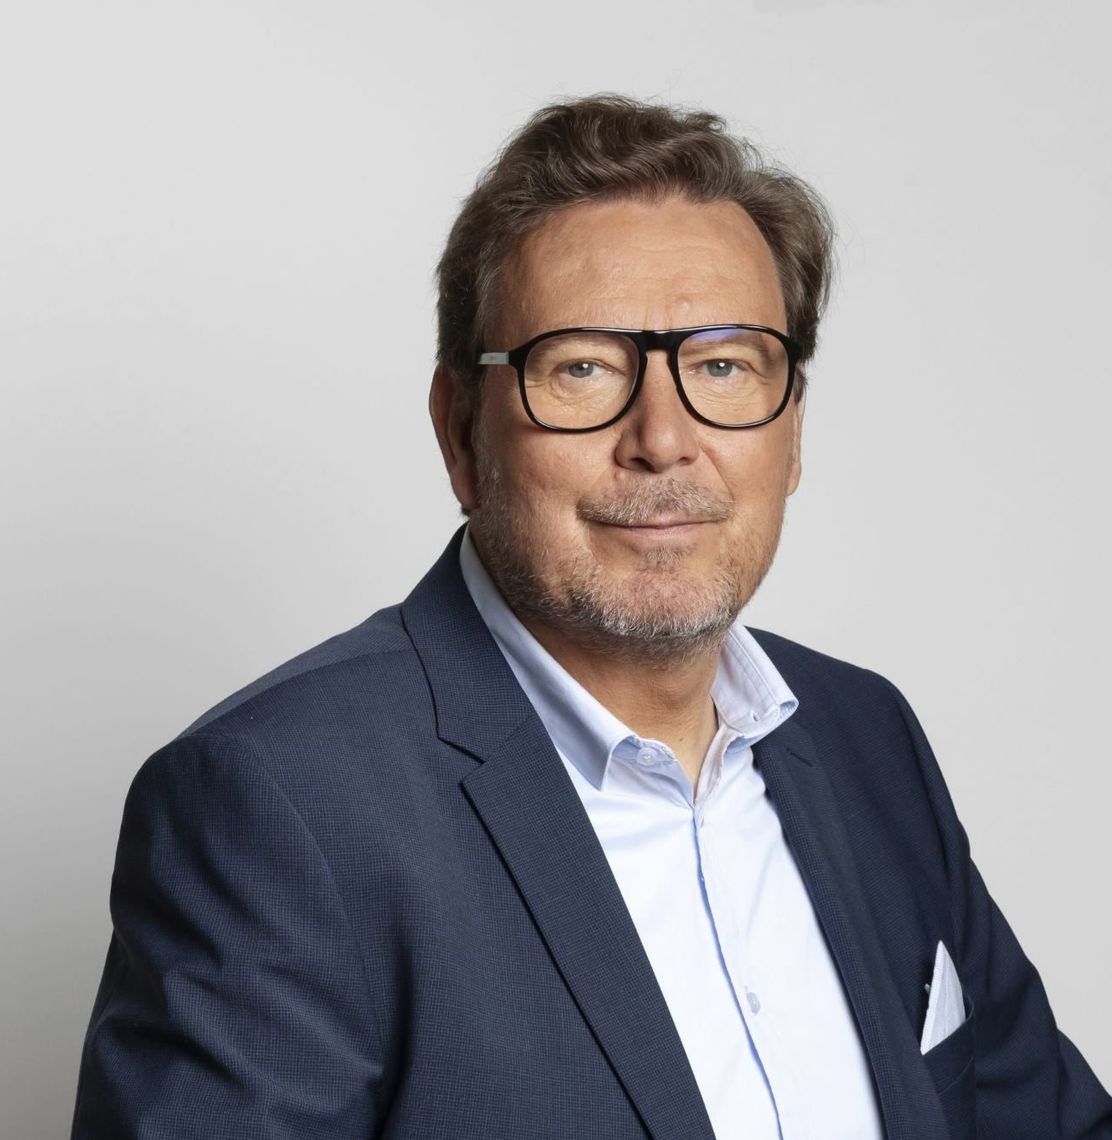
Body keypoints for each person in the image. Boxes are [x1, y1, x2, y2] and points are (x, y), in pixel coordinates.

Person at [70, 95, 1111, 1140]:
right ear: (460, 431)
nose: (662, 438)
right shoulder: (280, 802)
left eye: (722, 366)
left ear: (791, 432)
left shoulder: (864, 737)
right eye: (582, 368)